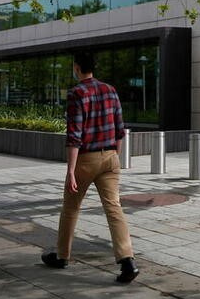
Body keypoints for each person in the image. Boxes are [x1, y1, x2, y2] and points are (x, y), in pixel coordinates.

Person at [41, 50, 139, 283]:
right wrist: (116, 157)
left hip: (86, 159)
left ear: (76, 67)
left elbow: (74, 135)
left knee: (71, 207)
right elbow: (120, 130)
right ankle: (127, 262)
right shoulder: (110, 90)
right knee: (114, 207)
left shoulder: (77, 93)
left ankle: (62, 256)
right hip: (110, 157)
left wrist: (70, 171)